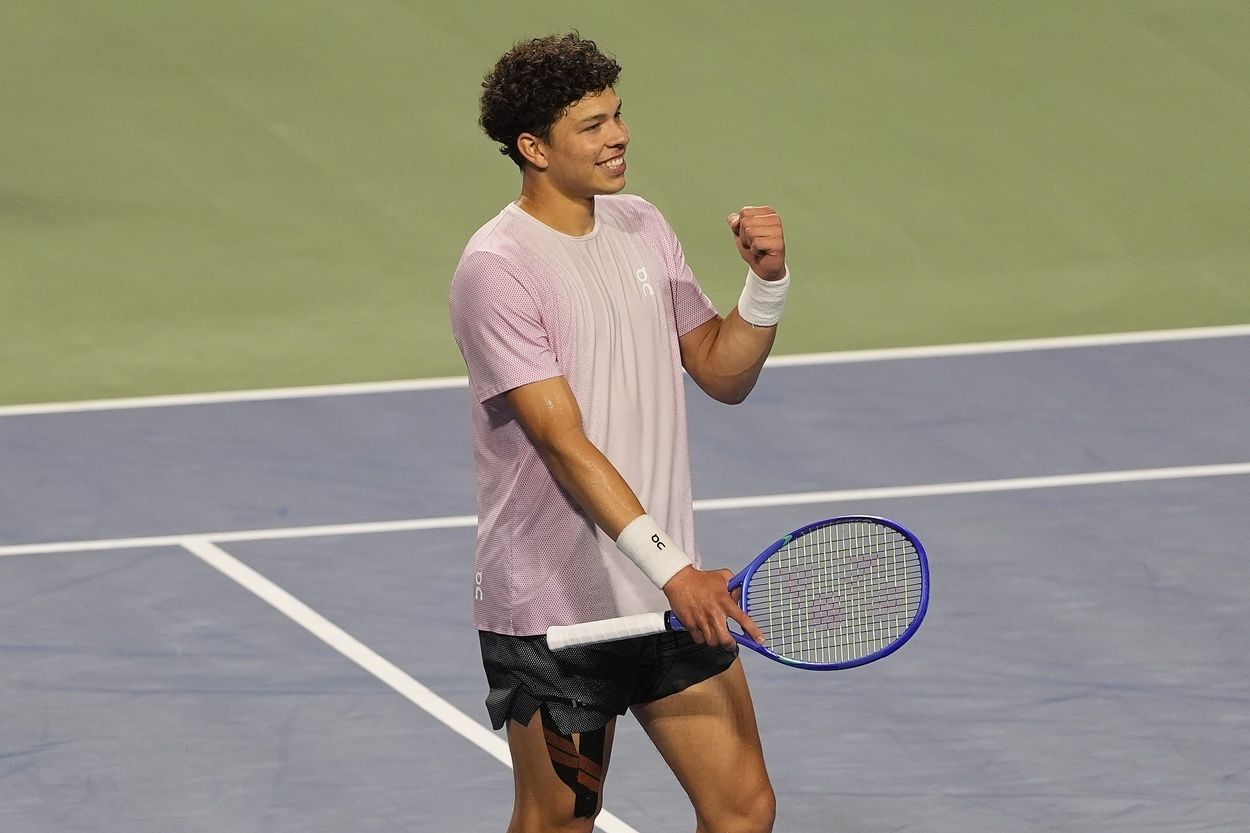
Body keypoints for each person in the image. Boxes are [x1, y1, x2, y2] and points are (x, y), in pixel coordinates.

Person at [449, 32, 790, 833]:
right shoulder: (497, 268)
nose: (619, 136)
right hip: (557, 608)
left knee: (744, 809)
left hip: (666, 596)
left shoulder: (641, 226)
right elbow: (565, 444)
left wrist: (766, 285)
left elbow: (719, 371)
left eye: (618, 115)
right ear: (533, 147)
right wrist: (677, 571)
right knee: (561, 818)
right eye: (592, 125)